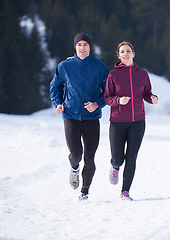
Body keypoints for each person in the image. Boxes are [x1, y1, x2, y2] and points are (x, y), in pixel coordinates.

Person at [50, 32, 109, 201]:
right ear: (75, 47)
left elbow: (108, 92)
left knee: (90, 157)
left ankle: (85, 192)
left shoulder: (100, 67)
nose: (82, 48)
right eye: (79, 45)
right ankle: (74, 168)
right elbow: (55, 87)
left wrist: (97, 104)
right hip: (71, 116)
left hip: (92, 118)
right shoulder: (64, 66)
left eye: (85, 45)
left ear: (90, 47)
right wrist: (58, 103)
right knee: (76, 153)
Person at [104, 41, 158, 201]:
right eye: (122, 52)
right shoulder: (113, 75)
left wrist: (152, 98)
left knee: (132, 157)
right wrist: (118, 101)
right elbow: (107, 98)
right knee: (119, 158)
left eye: (128, 51)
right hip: (118, 122)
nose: (126, 54)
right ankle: (114, 166)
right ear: (119, 55)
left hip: (138, 122)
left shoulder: (142, 74)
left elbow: (147, 93)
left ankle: (125, 192)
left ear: (133, 54)